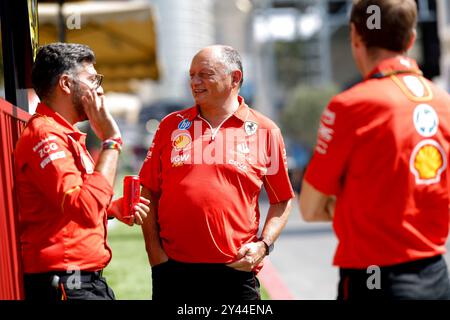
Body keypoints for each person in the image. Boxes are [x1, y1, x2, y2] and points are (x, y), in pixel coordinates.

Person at [299, 0, 450, 300]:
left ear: (355, 35)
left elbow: (310, 207)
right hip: (436, 276)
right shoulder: (444, 102)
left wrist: (356, 207)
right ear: (411, 39)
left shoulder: (350, 106)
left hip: (374, 279)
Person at [139, 45, 294, 300]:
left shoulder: (266, 131)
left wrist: (263, 245)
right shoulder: (170, 126)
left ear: (234, 78)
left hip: (235, 274)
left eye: (205, 74)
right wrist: (155, 253)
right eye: (191, 75)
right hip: (174, 272)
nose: (195, 82)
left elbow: (282, 199)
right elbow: (149, 191)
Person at [14, 43, 150, 300]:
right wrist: (111, 141)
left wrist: (111, 208)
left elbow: (69, 202)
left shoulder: (62, 133)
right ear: (66, 83)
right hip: (66, 280)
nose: (99, 88)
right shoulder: (45, 135)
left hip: (80, 280)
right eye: (92, 79)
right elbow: (84, 208)